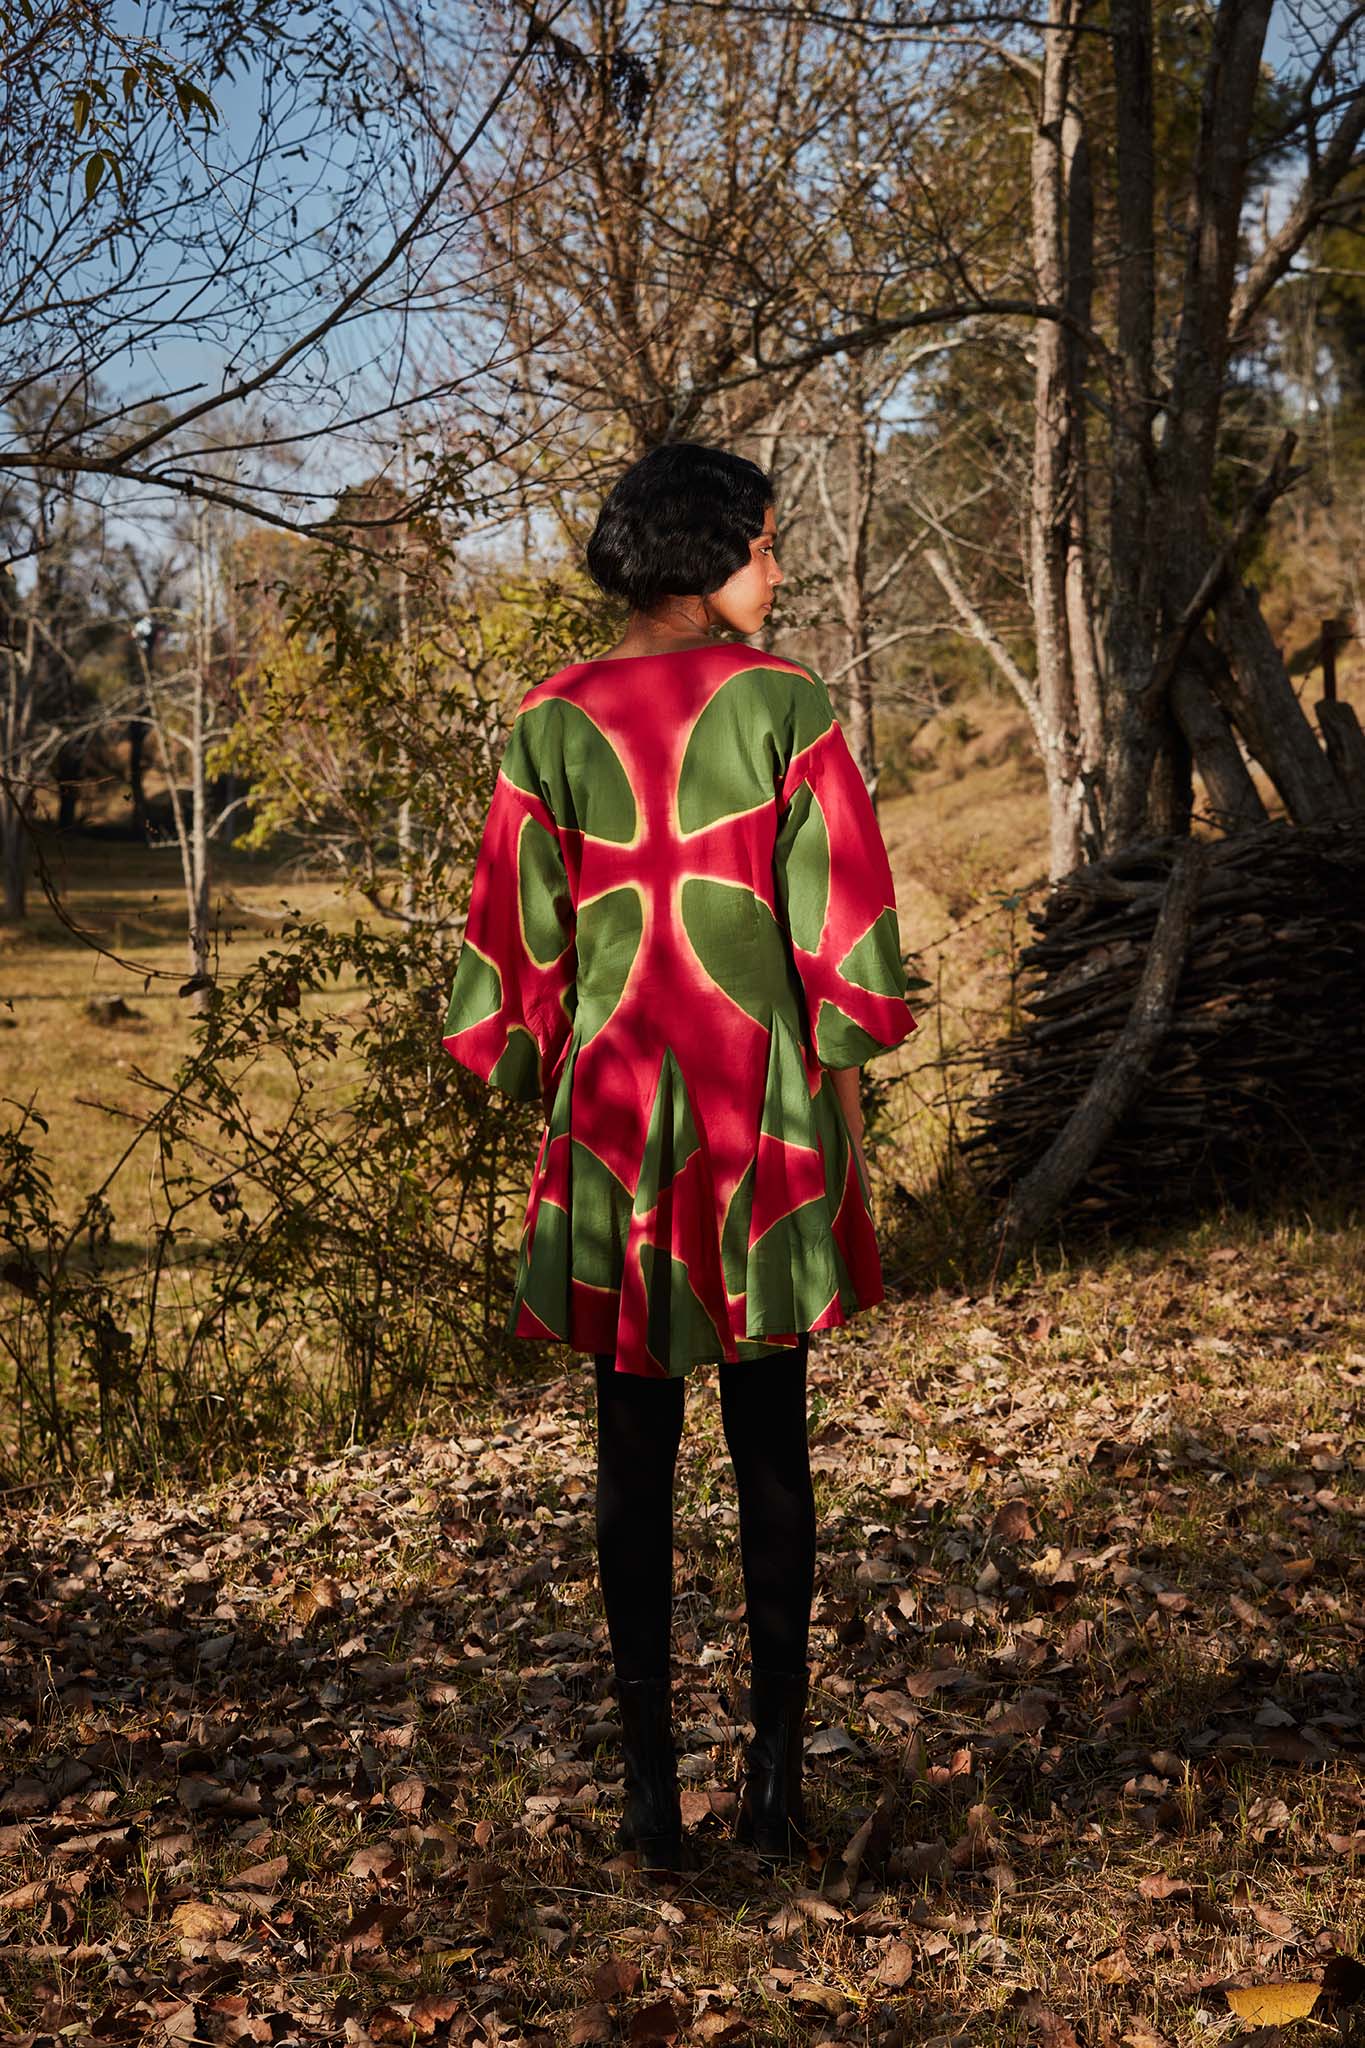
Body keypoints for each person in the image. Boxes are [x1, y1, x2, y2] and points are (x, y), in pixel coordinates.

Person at [441, 442, 916, 1872]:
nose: (775, 576)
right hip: (756, 1113)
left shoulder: (545, 721)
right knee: (771, 1440)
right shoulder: (785, 706)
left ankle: (650, 1798)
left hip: (613, 1122)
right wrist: (839, 1080)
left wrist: (546, 1057)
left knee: (630, 1450)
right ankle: (772, 1789)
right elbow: (848, 946)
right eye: (769, 547)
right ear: (711, 554)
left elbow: (509, 964)